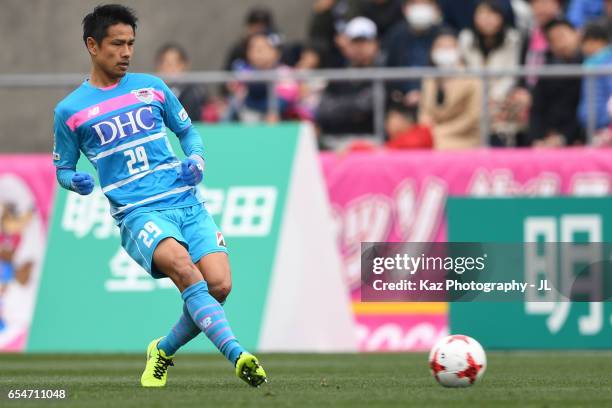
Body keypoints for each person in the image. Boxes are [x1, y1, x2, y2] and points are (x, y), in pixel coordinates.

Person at [52, 5, 267, 388]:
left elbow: (188, 133)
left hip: (186, 202)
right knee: (185, 269)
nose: (126, 52)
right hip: (138, 212)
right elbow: (63, 169)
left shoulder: (152, 86)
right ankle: (237, 354)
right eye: (117, 44)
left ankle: (162, 351)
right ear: (92, 45)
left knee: (218, 286)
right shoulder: (70, 111)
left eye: (131, 43)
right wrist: (75, 181)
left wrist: (197, 159)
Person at [459, 0, 524, 145]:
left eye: (492, 14)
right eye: (482, 14)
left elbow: (510, 74)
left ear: (501, 17)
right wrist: (478, 96)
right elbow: (464, 71)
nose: (487, 19)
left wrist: (495, 97)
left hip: (500, 98)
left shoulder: (512, 39)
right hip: (472, 97)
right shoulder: (465, 39)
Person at [316, 17, 383, 148]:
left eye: (364, 42)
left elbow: (366, 106)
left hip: (370, 142)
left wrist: (340, 107)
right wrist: (353, 110)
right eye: (355, 42)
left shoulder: (383, 73)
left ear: (375, 44)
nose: (359, 47)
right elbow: (323, 110)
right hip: (334, 142)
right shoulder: (338, 75)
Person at [419, 30, 483, 149]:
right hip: (434, 135)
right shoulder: (429, 79)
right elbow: (425, 111)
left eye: (449, 47)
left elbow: (472, 118)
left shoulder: (472, 80)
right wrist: (427, 128)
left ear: (459, 51)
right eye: (440, 47)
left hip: (465, 137)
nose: (444, 51)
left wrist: (439, 132)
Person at [528, 19, 584, 147]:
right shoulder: (547, 72)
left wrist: (564, 138)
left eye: (562, 36)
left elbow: (584, 110)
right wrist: (536, 138)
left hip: (577, 138)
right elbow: (537, 109)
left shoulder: (589, 67)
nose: (560, 43)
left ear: (577, 34)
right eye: (553, 40)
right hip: (547, 138)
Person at [383, 0, 444, 108]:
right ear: (405, 8)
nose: (420, 8)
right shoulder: (395, 35)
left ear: (435, 8)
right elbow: (388, 71)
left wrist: (426, 94)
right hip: (401, 103)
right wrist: (400, 96)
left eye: (425, 4)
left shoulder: (444, 35)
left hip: (437, 102)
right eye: (415, 4)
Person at [155, 43, 207, 121]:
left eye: (176, 63)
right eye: (168, 64)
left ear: (184, 65)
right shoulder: (152, 91)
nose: (172, 68)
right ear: (159, 66)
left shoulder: (195, 92)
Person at [578, 22, 612, 137]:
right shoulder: (591, 63)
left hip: (606, 126)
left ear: (597, 41)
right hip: (591, 125)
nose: (582, 47)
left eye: (584, 43)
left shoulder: (608, 63)